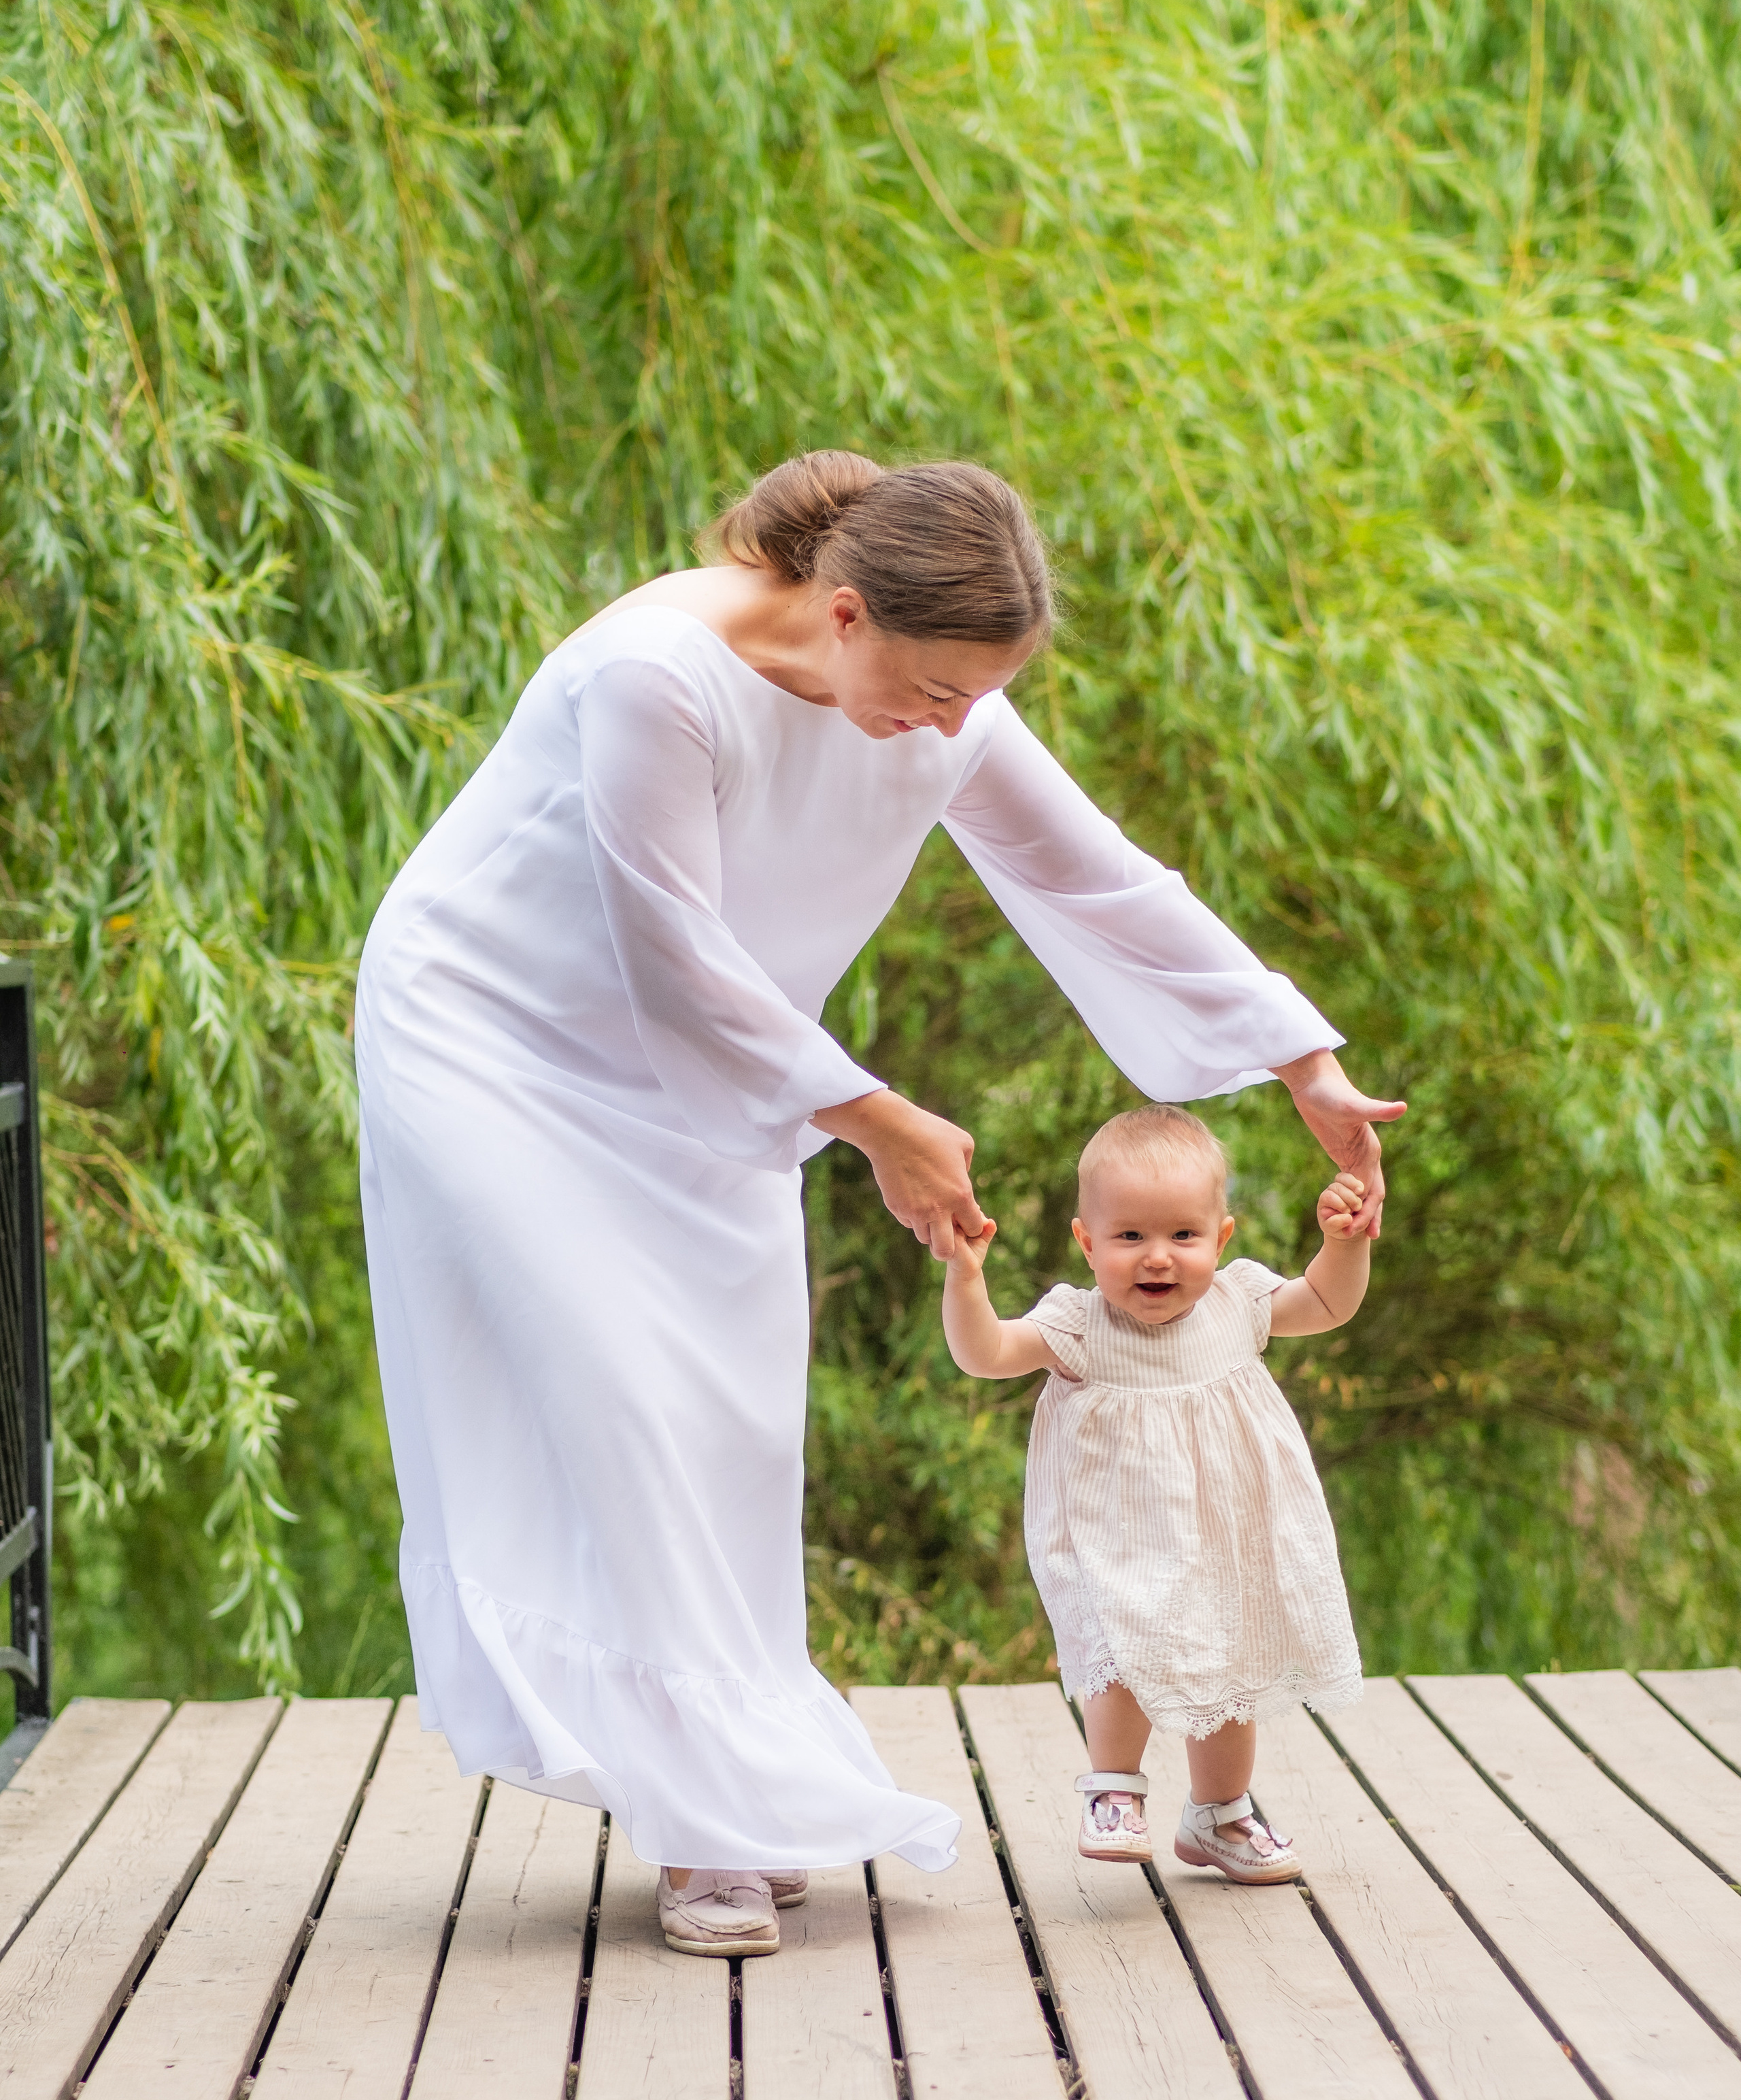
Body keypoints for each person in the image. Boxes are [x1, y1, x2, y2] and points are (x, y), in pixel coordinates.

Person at [355, 450, 1401, 1959]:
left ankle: (728, 1783)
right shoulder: (656, 676)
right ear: (842, 613)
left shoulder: (937, 696)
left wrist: (1293, 1056)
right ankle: (709, 1833)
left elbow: (1100, 880)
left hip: (726, 1070)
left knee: (732, 1421)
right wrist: (876, 1119)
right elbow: (674, 951)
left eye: (979, 698)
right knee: (620, 1396)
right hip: (502, 1043)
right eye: (931, 690)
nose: (949, 728)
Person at [937, 1101, 1371, 1882]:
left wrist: (1343, 1245)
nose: (1157, 1259)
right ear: (1086, 1241)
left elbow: (1329, 1303)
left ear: (1222, 1238)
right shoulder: (1079, 1326)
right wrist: (965, 1279)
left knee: (1230, 1669)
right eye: (1129, 1237)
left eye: (1182, 1236)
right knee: (1126, 1653)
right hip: (1122, 1535)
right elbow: (986, 1353)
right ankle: (1113, 1789)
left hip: (1228, 1529)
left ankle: (1219, 1812)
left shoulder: (1238, 1305)